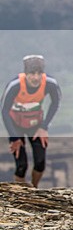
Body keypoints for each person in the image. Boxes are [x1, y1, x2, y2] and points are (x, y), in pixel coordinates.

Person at [2, 55, 62, 188]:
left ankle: (34, 188)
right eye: (32, 73)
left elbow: (55, 103)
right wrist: (14, 137)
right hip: (15, 125)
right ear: (25, 73)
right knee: (21, 165)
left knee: (40, 162)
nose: (36, 77)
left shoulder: (50, 84)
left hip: (36, 125)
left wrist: (44, 127)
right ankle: (21, 192)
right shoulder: (15, 86)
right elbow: (4, 111)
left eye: (39, 73)